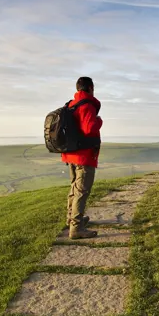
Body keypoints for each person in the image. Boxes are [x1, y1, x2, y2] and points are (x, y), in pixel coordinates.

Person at [62, 76, 103, 239]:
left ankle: (72, 219)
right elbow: (90, 129)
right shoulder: (87, 104)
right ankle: (76, 228)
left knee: (74, 188)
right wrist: (99, 121)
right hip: (83, 156)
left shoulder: (72, 104)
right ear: (91, 88)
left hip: (71, 154)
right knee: (81, 191)